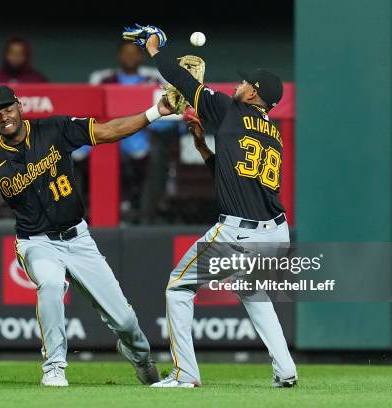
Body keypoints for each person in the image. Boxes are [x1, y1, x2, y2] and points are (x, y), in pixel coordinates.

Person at [0, 85, 175, 387]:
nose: (3, 118)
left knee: (125, 321)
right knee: (51, 284)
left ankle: (141, 357)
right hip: (35, 242)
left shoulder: (54, 128)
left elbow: (107, 132)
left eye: (7, 109)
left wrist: (155, 112)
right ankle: (54, 367)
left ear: (19, 106)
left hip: (78, 239)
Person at [126, 27, 298, 388]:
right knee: (254, 292)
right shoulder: (274, 134)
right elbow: (233, 176)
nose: (239, 85)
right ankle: (286, 370)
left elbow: (182, 81)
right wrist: (203, 146)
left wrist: (155, 51)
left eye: (245, 83)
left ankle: (185, 374)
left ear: (254, 93)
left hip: (239, 231)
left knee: (178, 286)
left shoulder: (231, 110)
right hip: (276, 232)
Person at [83, 41, 176, 220]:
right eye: (126, 53)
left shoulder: (153, 80)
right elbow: (90, 111)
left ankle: (146, 214)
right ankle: (86, 212)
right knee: (77, 151)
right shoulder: (103, 79)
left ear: (141, 56)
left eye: (134, 53)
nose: (130, 57)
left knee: (155, 155)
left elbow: (169, 116)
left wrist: (146, 125)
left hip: (142, 138)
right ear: (119, 56)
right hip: (108, 135)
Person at [0, 36, 49, 161]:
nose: (15, 57)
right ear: (5, 54)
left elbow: (47, 114)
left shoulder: (38, 80)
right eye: (12, 53)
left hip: (29, 132)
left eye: (20, 53)